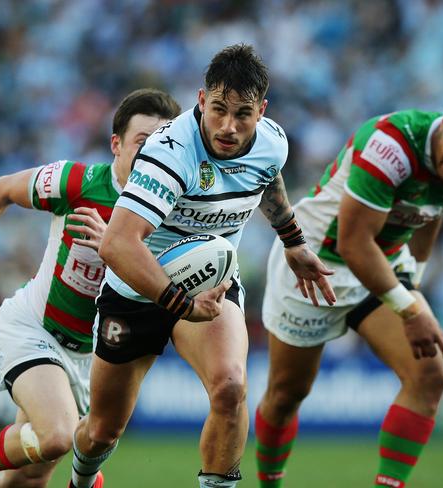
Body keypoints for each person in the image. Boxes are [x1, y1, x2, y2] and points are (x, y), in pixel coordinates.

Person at [67, 43, 336, 488]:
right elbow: (117, 245)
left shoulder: (273, 141)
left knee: (230, 387)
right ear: (200, 100)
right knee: (101, 431)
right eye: (218, 110)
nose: (229, 126)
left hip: (210, 286)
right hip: (137, 288)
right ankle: (81, 482)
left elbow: (267, 177)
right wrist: (176, 302)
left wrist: (292, 240)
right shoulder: (170, 151)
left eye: (243, 114)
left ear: (262, 111)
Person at [254, 90, 443, 487]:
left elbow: (430, 213)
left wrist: (415, 285)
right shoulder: (391, 144)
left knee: (431, 374)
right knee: (286, 394)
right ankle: (269, 484)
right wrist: (411, 310)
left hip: (379, 268)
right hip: (313, 264)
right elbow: (353, 242)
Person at [0, 88, 181, 488]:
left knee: (28, 477)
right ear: (116, 145)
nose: (153, 154)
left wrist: (119, 251)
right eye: (142, 143)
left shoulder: (173, 215)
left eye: (164, 146)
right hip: (35, 329)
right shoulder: (79, 183)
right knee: (58, 436)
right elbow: (3, 189)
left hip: (90, 360)